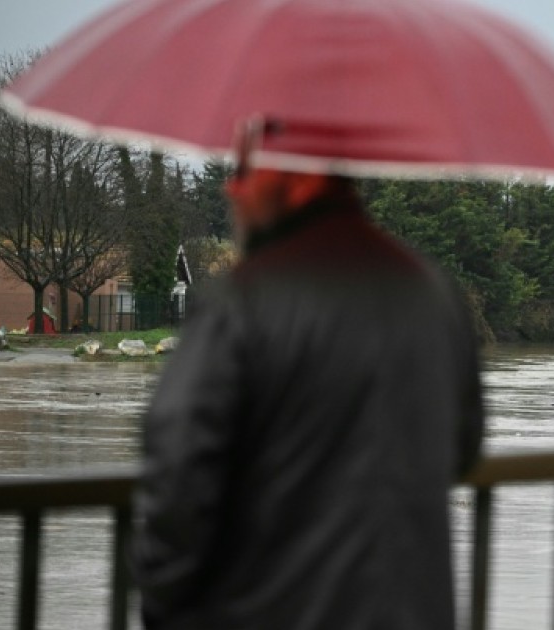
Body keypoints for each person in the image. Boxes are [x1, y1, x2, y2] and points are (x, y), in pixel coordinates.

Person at [134, 119, 485, 630]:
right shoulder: (434, 293)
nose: (231, 187)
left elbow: (177, 474)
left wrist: (165, 606)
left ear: (301, 177)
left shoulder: (241, 302)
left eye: (245, 170)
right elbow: (464, 447)